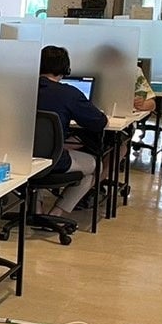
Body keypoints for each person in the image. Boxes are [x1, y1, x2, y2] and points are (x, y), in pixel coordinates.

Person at [37, 45, 107, 218]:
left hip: (20, 158)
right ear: (65, 68)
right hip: (54, 161)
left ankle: (36, 208)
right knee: (95, 166)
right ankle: (57, 213)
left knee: (36, 159)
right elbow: (99, 123)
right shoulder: (69, 93)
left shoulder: (21, 89)